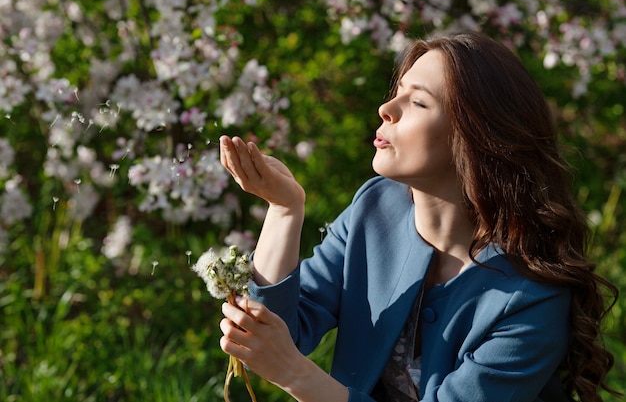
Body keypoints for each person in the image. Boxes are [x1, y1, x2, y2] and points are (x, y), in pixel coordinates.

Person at [217, 31, 619, 402]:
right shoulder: (375, 209)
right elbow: (277, 332)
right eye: (398, 91)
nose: (386, 108)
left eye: (419, 101)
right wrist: (285, 210)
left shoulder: (529, 300)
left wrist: (294, 374)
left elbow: (283, 357)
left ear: (476, 138)